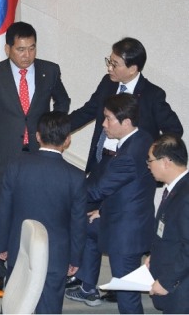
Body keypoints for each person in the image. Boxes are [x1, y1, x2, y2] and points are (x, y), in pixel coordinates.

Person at [67, 37, 183, 302]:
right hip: (103, 161)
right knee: (91, 219)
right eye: (110, 60)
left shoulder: (153, 95)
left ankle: (121, 285)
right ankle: (87, 285)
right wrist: (59, 130)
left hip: (131, 167)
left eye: (115, 63)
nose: (109, 66)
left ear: (132, 68)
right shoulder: (108, 83)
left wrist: (148, 155)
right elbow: (88, 111)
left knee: (119, 220)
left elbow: (175, 130)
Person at [0, 21, 70, 290]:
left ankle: (28, 262)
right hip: (2, 154)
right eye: (20, 49)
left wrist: (53, 131)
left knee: (33, 208)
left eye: (31, 48)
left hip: (38, 154)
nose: (27, 55)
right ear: (8, 48)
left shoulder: (49, 71)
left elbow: (62, 102)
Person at [65, 93, 155, 313]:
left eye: (108, 119)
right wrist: (102, 211)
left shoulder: (128, 155)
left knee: (127, 298)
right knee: (88, 227)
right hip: (125, 219)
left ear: (126, 122)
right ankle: (87, 286)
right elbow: (125, 189)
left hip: (125, 235)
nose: (103, 124)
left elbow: (97, 189)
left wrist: (62, 192)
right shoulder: (142, 138)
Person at [0, 111, 86, 313]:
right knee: (49, 307)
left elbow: (4, 209)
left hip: (20, 248)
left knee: (15, 303)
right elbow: (78, 223)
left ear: (37, 136)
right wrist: (75, 258)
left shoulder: (15, 166)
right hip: (56, 254)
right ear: (68, 140)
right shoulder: (76, 177)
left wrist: (2, 244)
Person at [145, 134, 189, 314]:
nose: (148, 165)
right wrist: (154, 256)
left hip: (181, 288)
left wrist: (166, 281)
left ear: (165, 162)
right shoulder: (175, 189)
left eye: (150, 160)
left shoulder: (186, 197)